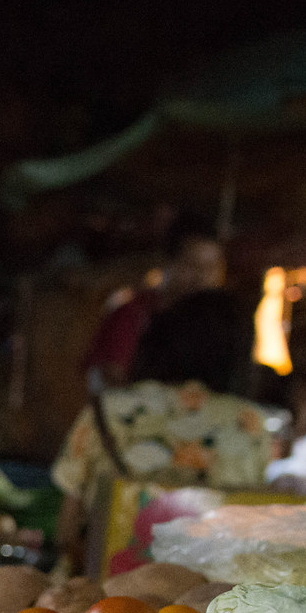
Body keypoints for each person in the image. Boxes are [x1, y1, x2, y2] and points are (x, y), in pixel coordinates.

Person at [52, 287, 281, 575]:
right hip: (205, 602)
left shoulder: (106, 410)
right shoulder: (250, 423)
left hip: (101, 595)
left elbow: (66, 530)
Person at [83, 218, 226, 393]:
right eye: (192, 266)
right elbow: (114, 375)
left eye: (211, 268)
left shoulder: (214, 324)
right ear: (167, 262)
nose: (202, 278)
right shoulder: (133, 313)